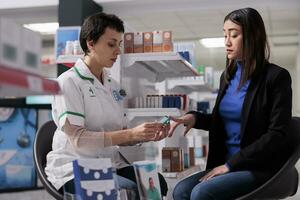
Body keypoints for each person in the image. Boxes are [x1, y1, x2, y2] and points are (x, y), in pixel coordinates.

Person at [170, 8, 292, 200]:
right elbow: (221, 121)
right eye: (224, 35)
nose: (227, 42)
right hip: (223, 164)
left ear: (253, 36)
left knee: (201, 193)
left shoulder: (276, 77)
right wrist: (194, 117)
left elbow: (277, 134)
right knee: (181, 191)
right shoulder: (227, 77)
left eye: (234, 35)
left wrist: (231, 165)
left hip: (254, 167)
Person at [45, 12, 168, 198]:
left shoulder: (113, 86)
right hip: (76, 166)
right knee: (127, 190)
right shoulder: (68, 82)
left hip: (109, 163)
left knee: (158, 183)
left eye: (119, 44)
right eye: (111, 44)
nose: (117, 51)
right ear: (91, 43)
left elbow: (116, 133)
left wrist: (145, 134)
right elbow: (79, 139)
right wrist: (130, 133)